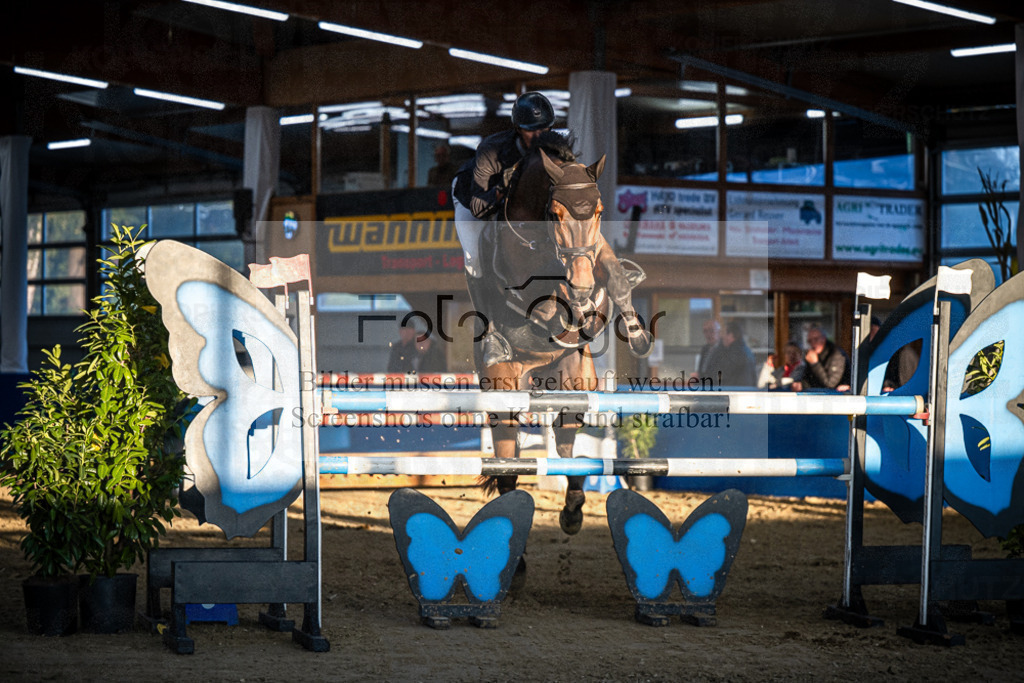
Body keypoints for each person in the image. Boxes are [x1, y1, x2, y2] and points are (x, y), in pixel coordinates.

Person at [451, 91, 555, 367]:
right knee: (474, 259)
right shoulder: (492, 151)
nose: (540, 135)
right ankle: (490, 333)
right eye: (533, 131)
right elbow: (478, 207)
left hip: (518, 209)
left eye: (545, 129)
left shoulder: (552, 150)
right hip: (473, 200)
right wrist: (503, 190)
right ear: (518, 129)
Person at [796, 325, 850, 391]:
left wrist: (815, 363)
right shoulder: (813, 355)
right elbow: (807, 380)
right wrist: (800, 384)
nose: (813, 343)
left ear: (823, 339)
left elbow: (830, 384)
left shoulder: (836, 354)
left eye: (816, 339)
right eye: (810, 341)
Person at [711, 320, 757, 387]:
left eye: (723, 333)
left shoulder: (734, 353)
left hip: (736, 393)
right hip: (747, 392)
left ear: (731, 335)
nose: (721, 336)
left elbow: (723, 374)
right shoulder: (746, 350)